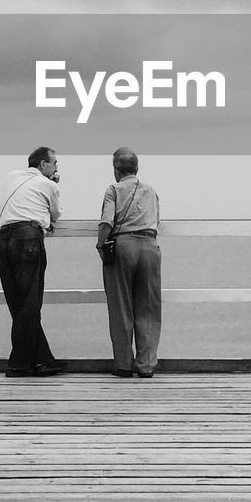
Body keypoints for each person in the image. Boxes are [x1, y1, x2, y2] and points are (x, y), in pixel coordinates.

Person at [0, 146, 67, 378]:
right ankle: (18, 364)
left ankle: (42, 360)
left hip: (2, 239)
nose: (57, 167)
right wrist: (54, 182)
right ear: (43, 164)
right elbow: (55, 215)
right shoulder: (49, 185)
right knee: (29, 302)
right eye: (54, 163)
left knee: (18, 303)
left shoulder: (11, 176)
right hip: (27, 238)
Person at [97, 146, 162, 378]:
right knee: (149, 308)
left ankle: (124, 364)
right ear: (137, 168)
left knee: (121, 307)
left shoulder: (114, 189)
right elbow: (156, 220)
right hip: (149, 247)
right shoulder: (151, 190)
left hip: (123, 247)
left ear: (116, 169)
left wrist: (100, 244)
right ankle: (146, 366)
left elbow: (107, 221)